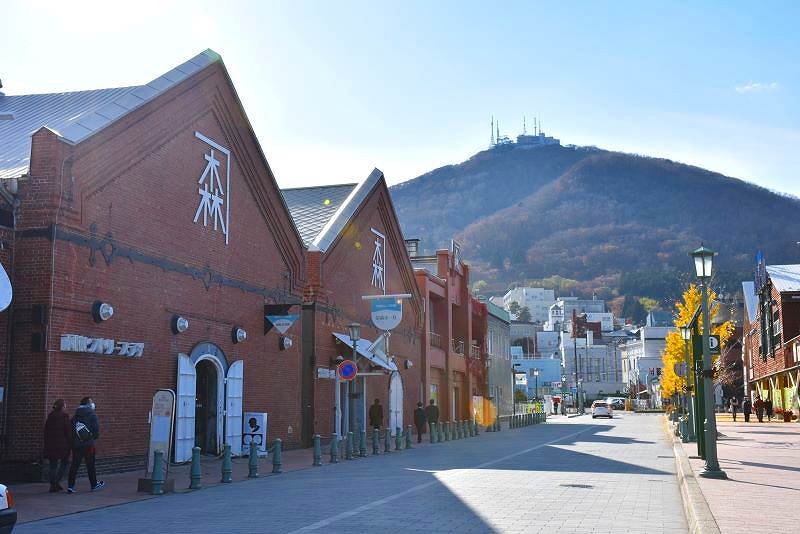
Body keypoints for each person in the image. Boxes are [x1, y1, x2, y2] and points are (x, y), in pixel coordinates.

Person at [67, 397, 104, 493]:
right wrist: (92, 438)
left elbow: (70, 431)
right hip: (89, 445)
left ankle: (70, 486)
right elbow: (96, 430)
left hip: (77, 445)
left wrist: (73, 442)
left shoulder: (75, 416)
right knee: (90, 465)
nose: (93, 404)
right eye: (91, 402)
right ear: (88, 404)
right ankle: (94, 484)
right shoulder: (92, 415)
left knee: (75, 465)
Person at [43, 399, 72, 493]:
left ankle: (52, 484)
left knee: (53, 465)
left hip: (51, 445)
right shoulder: (64, 417)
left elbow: (46, 431)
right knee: (64, 463)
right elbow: (68, 431)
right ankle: (56, 482)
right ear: (62, 407)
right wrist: (70, 443)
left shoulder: (50, 417)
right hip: (62, 445)